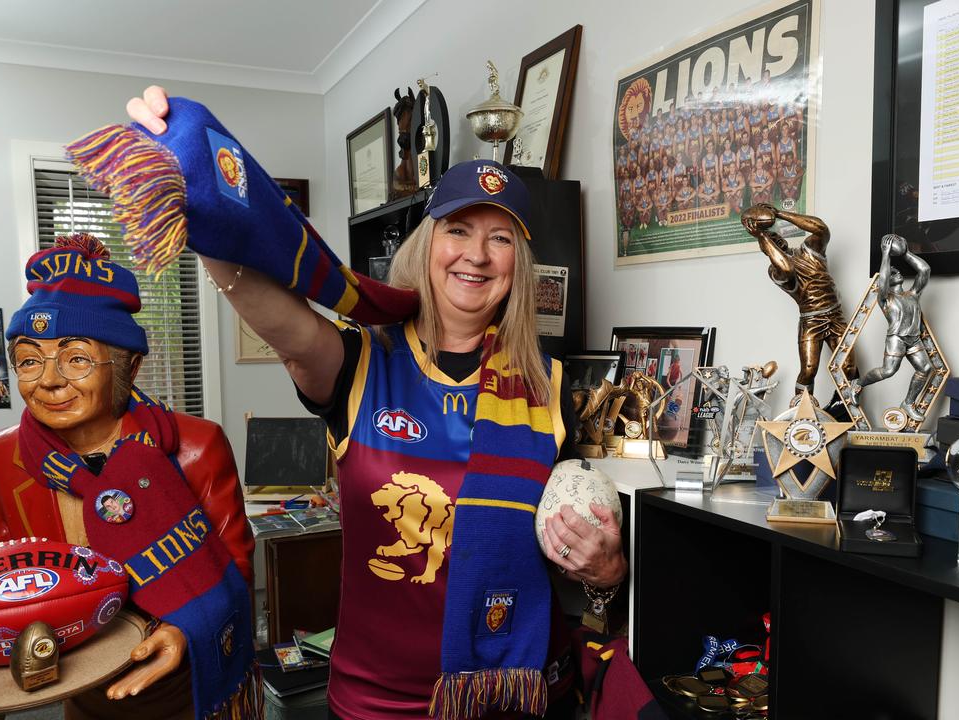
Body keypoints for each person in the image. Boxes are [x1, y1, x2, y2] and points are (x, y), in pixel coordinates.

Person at [124, 87, 626, 720]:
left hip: (515, 695)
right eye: (460, 230)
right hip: (377, 701)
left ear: (517, 267)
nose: (476, 254)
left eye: (500, 239)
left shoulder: (551, 389)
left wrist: (606, 572)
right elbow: (280, 321)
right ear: (426, 243)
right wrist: (198, 197)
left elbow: (577, 554)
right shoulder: (361, 361)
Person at [0, 234, 257, 720]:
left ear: (130, 365)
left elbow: (235, 570)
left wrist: (188, 628)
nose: (49, 381)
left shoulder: (197, 447)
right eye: (30, 360)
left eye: (76, 359)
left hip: (191, 686)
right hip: (83, 690)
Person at [741, 203, 859, 396]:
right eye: (770, 241)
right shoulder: (775, 271)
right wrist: (761, 235)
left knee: (849, 367)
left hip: (836, 316)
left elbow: (821, 229)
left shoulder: (809, 251)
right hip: (811, 321)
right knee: (809, 370)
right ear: (767, 250)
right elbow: (787, 268)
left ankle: (849, 412)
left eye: (775, 235)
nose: (774, 239)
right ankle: (800, 410)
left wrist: (779, 214)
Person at [852, 234, 936, 421]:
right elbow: (881, 283)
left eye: (896, 270)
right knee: (888, 371)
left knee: (926, 368)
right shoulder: (886, 299)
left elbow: (925, 270)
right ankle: (858, 384)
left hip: (913, 338)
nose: (895, 272)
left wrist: (905, 253)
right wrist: (886, 255)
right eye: (891, 272)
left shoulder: (913, 294)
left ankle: (908, 403)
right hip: (897, 339)